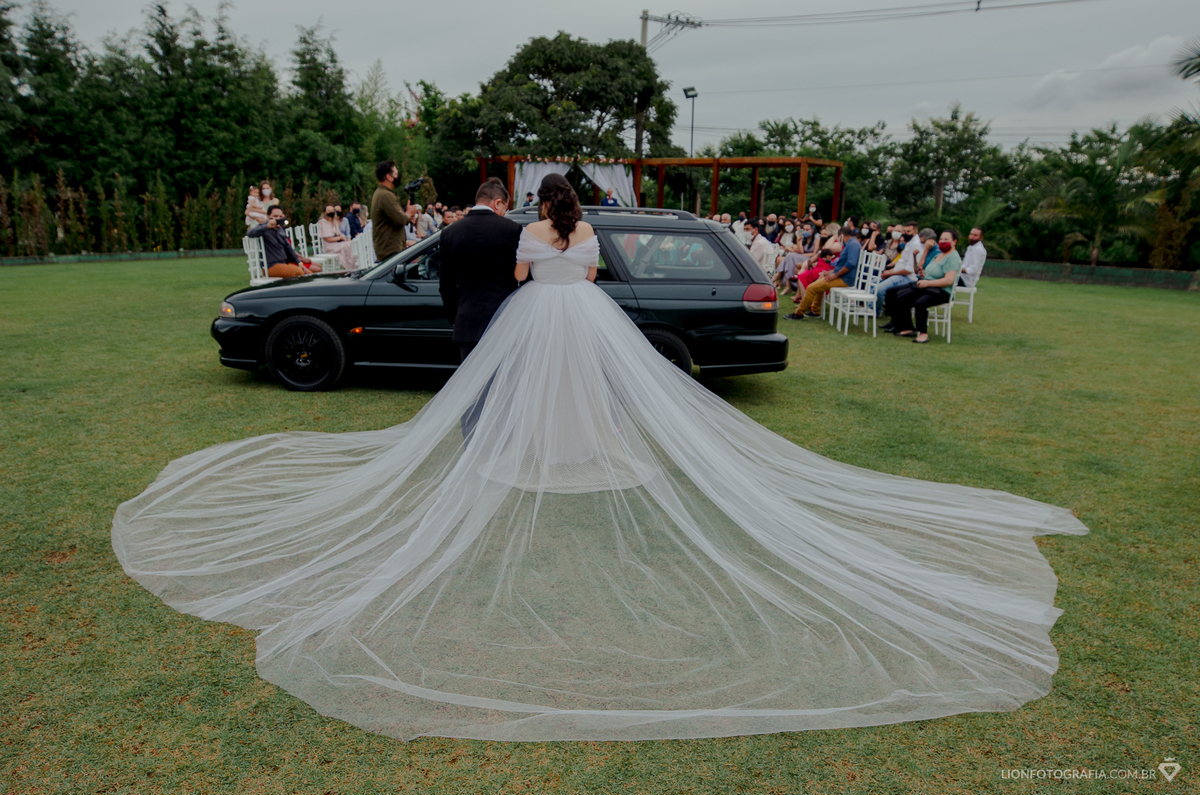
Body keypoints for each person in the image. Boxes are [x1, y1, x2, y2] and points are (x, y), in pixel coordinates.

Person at [113, 174, 1086, 743]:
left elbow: (527, 275)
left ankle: (542, 449)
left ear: (541, 205)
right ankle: (579, 448)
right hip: (588, 317)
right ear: (581, 209)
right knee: (582, 395)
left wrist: (536, 266)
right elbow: (556, 269)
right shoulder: (580, 236)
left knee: (541, 388)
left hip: (544, 317)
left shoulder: (535, 237)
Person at [438, 177, 522, 363]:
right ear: (497, 202)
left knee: (470, 385)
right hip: (504, 320)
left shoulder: (449, 232)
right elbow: (523, 279)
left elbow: (446, 285)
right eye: (505, 208)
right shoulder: (513, 230)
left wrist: (456, 317)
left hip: (467, 322)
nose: (504, 213)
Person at [886, 228, 963, 342]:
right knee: (900, 295)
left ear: (954, 241)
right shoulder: (939, 255)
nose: (942, 241)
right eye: (941, 239)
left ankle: (923, 334)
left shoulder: (953, 257)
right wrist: (924, 274)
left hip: (941, 291)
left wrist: (927, 283)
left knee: (920, 303)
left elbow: (948, 281)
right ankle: (906, 327)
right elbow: (928, 271)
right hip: (927, 286)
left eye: (946, 239)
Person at [787, 225, 861, 319]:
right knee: (818, 282)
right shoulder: (851, 244)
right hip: (841, 276)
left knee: (811, 288)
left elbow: (850, 264)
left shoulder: (853, 245)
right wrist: (830, 272)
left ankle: (799, 313)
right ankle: (815, 311)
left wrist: (834, 275)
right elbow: (842, 265)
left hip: (845, 279)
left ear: (841, 235)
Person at [246, 206, 319, 278]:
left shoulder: (280, 230)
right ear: (268, 217)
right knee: (298, 272)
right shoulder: (264, 228)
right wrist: (267, 226)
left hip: (284, 263)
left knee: (309, 273)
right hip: (271, 266)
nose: (278, 218)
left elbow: (289, 248)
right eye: (275, 216)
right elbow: (250, 233)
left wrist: (299, 263)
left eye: (280, 216)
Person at [370, 160, 419, 262]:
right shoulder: (385, 195)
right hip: (390, 251)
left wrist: (407, 216)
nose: (398, 177)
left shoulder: (382, 193)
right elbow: (400, 220)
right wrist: (409, 213)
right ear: (389, 177)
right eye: (396, 174)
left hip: (389, 249)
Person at [317, 204, 357, 271]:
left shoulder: (334, 221)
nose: (331, 212)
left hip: (336, 243)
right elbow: (327, 239)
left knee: (351, 243)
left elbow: (338, 233)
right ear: (325, 212)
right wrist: (339, 238)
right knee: (348, 245)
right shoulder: (323, 222)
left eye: (332, 210)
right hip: (329, 246)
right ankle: (350, 267)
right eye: (329, 210)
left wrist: (342, 236)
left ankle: (353, 266)